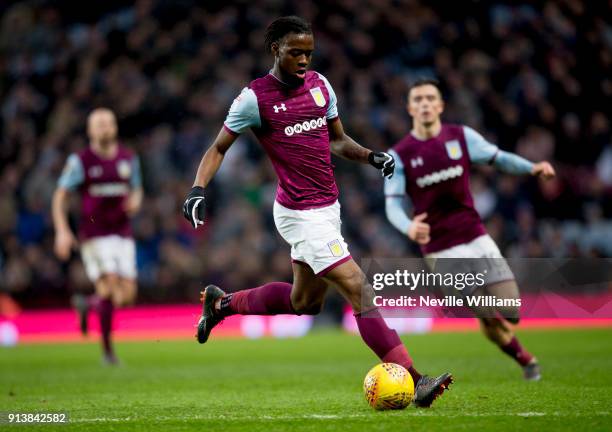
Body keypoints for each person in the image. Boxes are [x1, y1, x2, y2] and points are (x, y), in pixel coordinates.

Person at [182, 16, 452, 407]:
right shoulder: (254, 98)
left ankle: (222, 304)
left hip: (328, 209)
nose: (304, 59)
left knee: (305, 302)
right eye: (296, 52)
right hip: (298, 213)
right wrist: (197, 188)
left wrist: (371, 157)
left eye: (309, 52)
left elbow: (338, 142)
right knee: (359, 288)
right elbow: (218, 147)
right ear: (275, 49)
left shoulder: (321, 86)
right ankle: (416, 379)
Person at [384, 78, 556, 381]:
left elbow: (499, 159)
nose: (424, 103)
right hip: (440, 249)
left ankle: (512, 342)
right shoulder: (399, 155)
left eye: (430, 98)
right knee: (486, 312)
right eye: (418, 99)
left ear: (440, 105)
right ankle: (526, 359)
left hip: (476, 236)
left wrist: (532, 167)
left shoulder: (461, 137)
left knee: (511, 309)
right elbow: (392, 204)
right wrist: (408, 226)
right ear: (410, 107)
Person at [52, 108, 143, 364]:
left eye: (108, 123)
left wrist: (135, 201)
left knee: (125, 298)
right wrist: (62, 230)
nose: (104, 128)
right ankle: (108, 352)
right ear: (90, 130)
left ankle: (87, 303)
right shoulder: (80, 161)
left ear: (115, 128)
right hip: (94, 236)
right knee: (109, 286)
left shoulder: (128, 159)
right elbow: (60, 195)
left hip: (122, 235)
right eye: (99, 124)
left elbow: (137, 189)